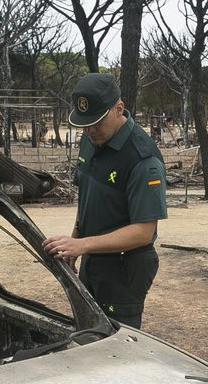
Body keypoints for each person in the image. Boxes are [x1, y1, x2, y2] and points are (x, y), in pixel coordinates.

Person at [44, 73, 168, 328]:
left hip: (124, 268)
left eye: (96, 122)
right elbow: (87, 197)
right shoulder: (90, 140)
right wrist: (74, 242)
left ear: (119, 109)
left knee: (115, 341)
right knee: (87, 331)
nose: (89, 130)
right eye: (85, 124)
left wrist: (82, 245)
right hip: (93, 256)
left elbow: (144, 232)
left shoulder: (143, 159)